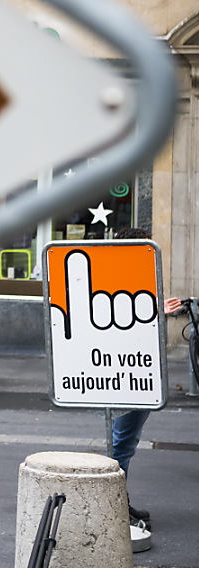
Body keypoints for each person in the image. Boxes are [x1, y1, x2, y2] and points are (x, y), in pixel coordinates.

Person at [108, 227, 180, 532]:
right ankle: (114, 506)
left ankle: (118, 499)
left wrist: (156, 312)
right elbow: (118, 328)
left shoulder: (138, 279)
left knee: (125, 442)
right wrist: (154, 313)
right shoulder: (117, 281)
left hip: (141, 374)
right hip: (126, 374)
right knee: (121, 444)